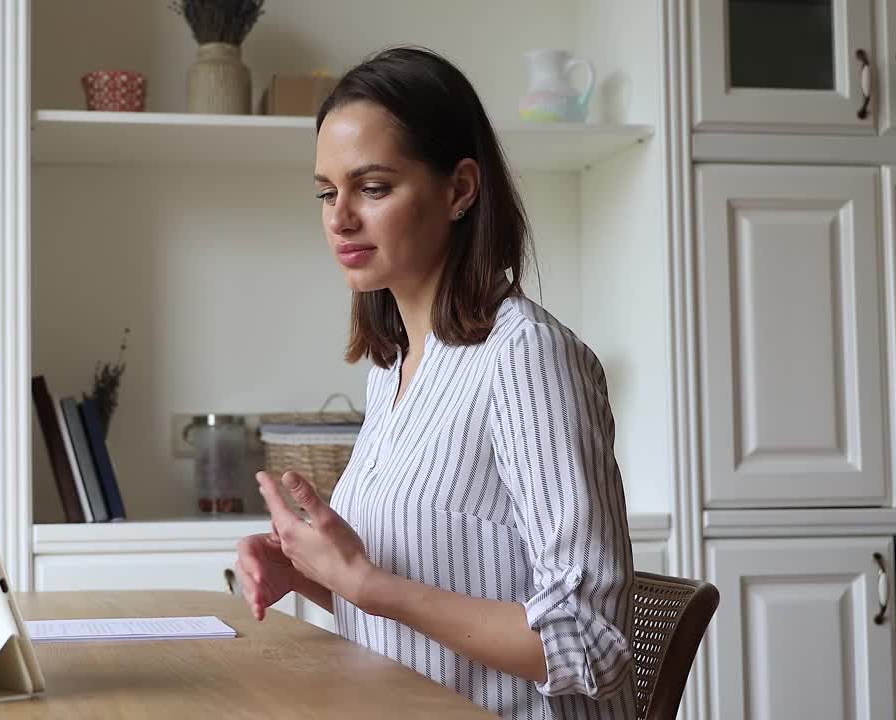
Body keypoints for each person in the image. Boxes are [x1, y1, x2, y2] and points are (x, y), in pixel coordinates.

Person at [234, 46, 637, 719]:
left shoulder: (527, 358)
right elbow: (421, 596)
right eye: (327, 192)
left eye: (373, 187)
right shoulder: (392, 368)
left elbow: (593, 642)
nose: (338, 219)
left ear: (459, 189)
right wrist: (313, 575)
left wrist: (363, 583)